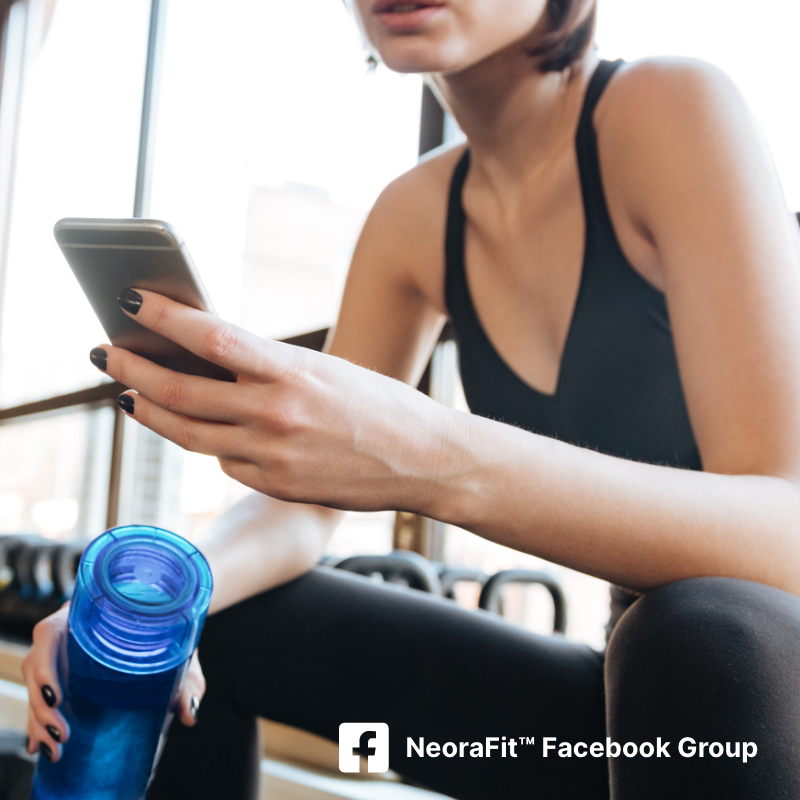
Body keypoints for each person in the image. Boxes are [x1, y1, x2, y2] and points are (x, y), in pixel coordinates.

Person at [21, 0, 800, 798]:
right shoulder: (416, 214)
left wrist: (432, 456)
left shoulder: (672, 111)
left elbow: (788, 534)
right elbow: (297, 517)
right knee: (219, 623)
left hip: (746, 712)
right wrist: (161, 606)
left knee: (702, 632)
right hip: (609, 737)